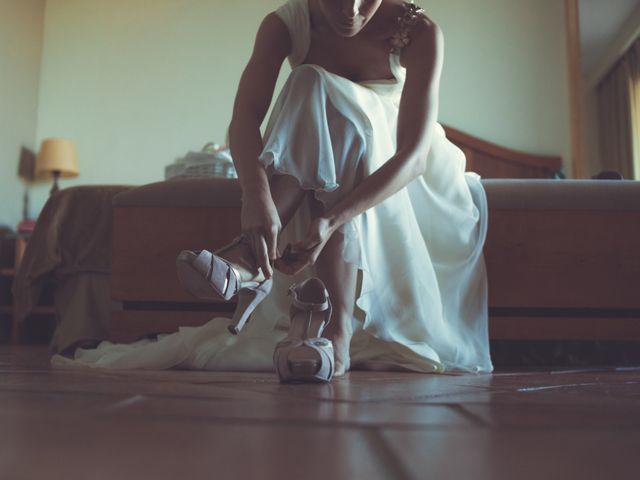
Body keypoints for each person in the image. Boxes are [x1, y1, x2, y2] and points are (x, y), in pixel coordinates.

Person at [53, 0, 493, 378]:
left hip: (399, 176)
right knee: (310, 84)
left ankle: (249, 258)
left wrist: (332, 219)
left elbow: (413, 157)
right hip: (327, 166)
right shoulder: (286, 23)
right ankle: (335, 329)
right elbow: (244, 118)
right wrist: (256, 196)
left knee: (328, 104)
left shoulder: (417, 31)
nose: (350, 11)